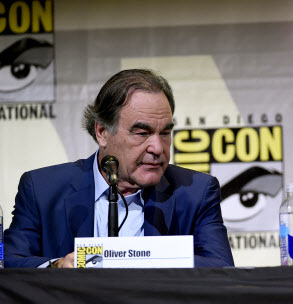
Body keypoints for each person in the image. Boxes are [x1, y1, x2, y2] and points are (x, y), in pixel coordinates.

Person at [4, 69, 234, 268]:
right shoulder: (42, 189)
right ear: (102, 132)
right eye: (142, 133)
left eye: (164, 133)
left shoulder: (196, 192)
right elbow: (11, 261)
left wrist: (137, 258)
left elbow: (220, 267)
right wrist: (56, 266)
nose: (157, 147)